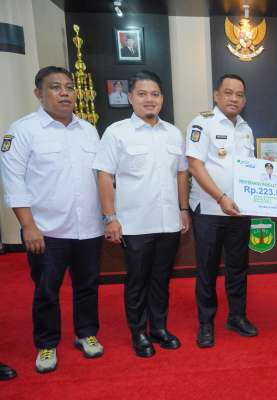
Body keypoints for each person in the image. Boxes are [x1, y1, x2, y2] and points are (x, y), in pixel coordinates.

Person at [0, 66, 104, 373]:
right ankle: (46, 344)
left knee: (88, 284)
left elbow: (100, 177)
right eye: (55, 87)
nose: (64, 93)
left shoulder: (88, 130)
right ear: (39, 93)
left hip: (89, 226)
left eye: (69, 87)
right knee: (47, 289)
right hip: (46, 229)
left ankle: (86, 333)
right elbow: (14, 182)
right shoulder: (22, 130)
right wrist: (28, 226)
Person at [94, 70, 190, 357]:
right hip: (134, 224)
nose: (150, 99)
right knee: (137, 280)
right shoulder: (117, 132)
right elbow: (104, 175)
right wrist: (110, 217)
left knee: (161, 279)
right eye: (142, 94)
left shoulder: (173, 133)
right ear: (130, 98)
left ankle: (158, 328)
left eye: (155, 94)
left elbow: (181, 174)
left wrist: (183, 209)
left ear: (162, 98)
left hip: (168, 222)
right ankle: (138, 332)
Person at [186, 74, 257, 348]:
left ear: (245, 100)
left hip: (239, 211)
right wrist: (221, 197)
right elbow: (195, 166)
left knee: (238, 268)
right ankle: (206, 323)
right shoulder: (202, 123)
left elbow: (249, 168)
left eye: (239, 94)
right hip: (209, 210)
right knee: (207, 269)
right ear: (216, 95)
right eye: (228, 93)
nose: (234, 98)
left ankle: (237, 317)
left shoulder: (246, 128)